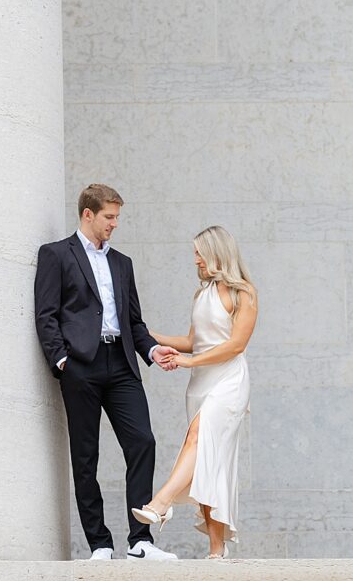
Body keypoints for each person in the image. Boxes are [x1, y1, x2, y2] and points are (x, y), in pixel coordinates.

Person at [34, 183, 179, 560]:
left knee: (142, 441)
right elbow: (46, 314)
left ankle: (141, 541)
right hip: (80, 366)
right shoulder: (56, 255)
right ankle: (99, 543)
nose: (114, 224)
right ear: (88, 214)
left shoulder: (122, 263)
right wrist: (61, 360)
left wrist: (150, 349)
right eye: (109, 217)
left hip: (121, 365)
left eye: (117, 217)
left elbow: (134, 321)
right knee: (86, 457)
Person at [131, 225, 257, 560]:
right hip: (199, 382)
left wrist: (189, 361)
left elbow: (235, 346)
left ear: (216, 253)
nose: (195, 259)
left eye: (199, 252)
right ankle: (217, 549)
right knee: (206, 461)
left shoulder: (243, 293)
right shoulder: (201, 296)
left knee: (197, 439)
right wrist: (147, 334)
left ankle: (161, 503)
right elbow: (192, 341)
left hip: (228, 382)